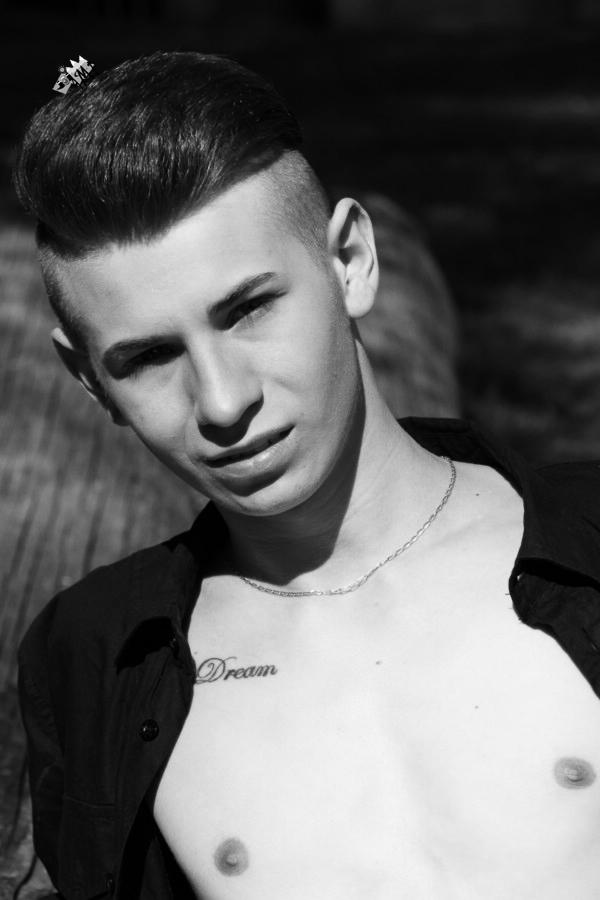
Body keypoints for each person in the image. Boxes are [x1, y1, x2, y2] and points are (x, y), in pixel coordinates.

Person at [13, 49, 600, 900]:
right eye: (147, 358)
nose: (222, 401)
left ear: (350, 262)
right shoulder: (94, 656)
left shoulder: (589, 537)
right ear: (89, 380)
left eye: (249, 309)